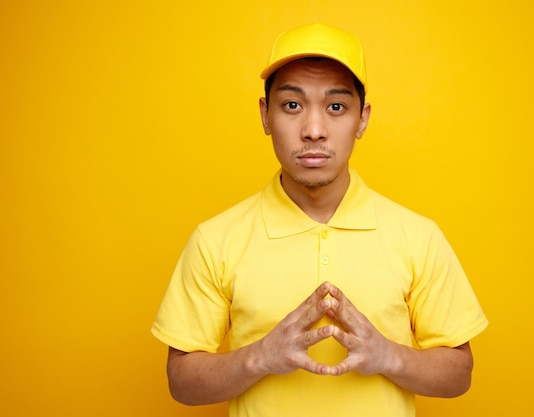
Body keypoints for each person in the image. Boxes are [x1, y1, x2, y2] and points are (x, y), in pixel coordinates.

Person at [151, 23, 488, 417]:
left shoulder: (419, 236)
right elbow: (181, 382)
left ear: (362, 119)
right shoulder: (215, 239)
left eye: (336, 107)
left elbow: (459, 374)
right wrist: (260, 356)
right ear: (265, 115)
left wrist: (388, 356)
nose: (313, 131)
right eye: (292, 105)